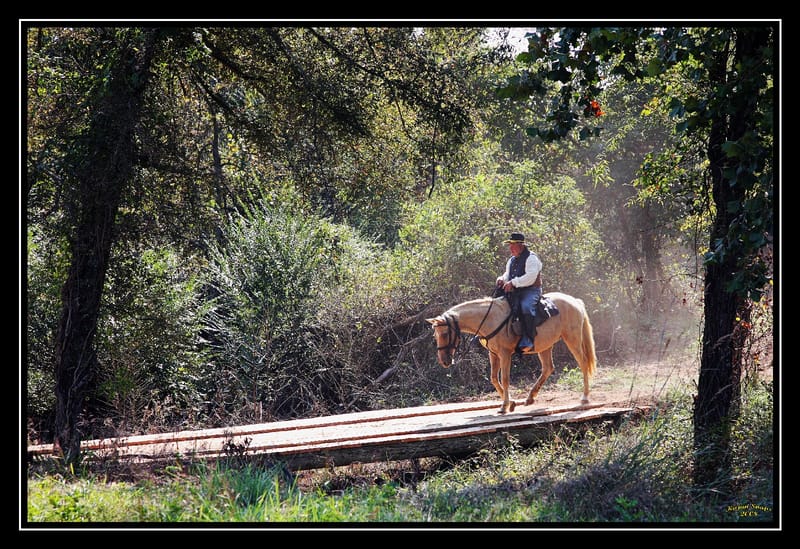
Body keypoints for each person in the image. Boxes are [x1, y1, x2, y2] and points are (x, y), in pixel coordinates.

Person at [496, 232, 542, 353]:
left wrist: (513, 283)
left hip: (531, 290)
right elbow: (508, 274)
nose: (510, 248)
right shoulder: (511, 260)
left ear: (521, 245)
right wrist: (502, 279)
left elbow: (531, 277)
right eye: (510, 245)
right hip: (516, 291)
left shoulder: (531, 258)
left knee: (526, 307)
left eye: (513, 245)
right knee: (498, 305)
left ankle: (528, 340)